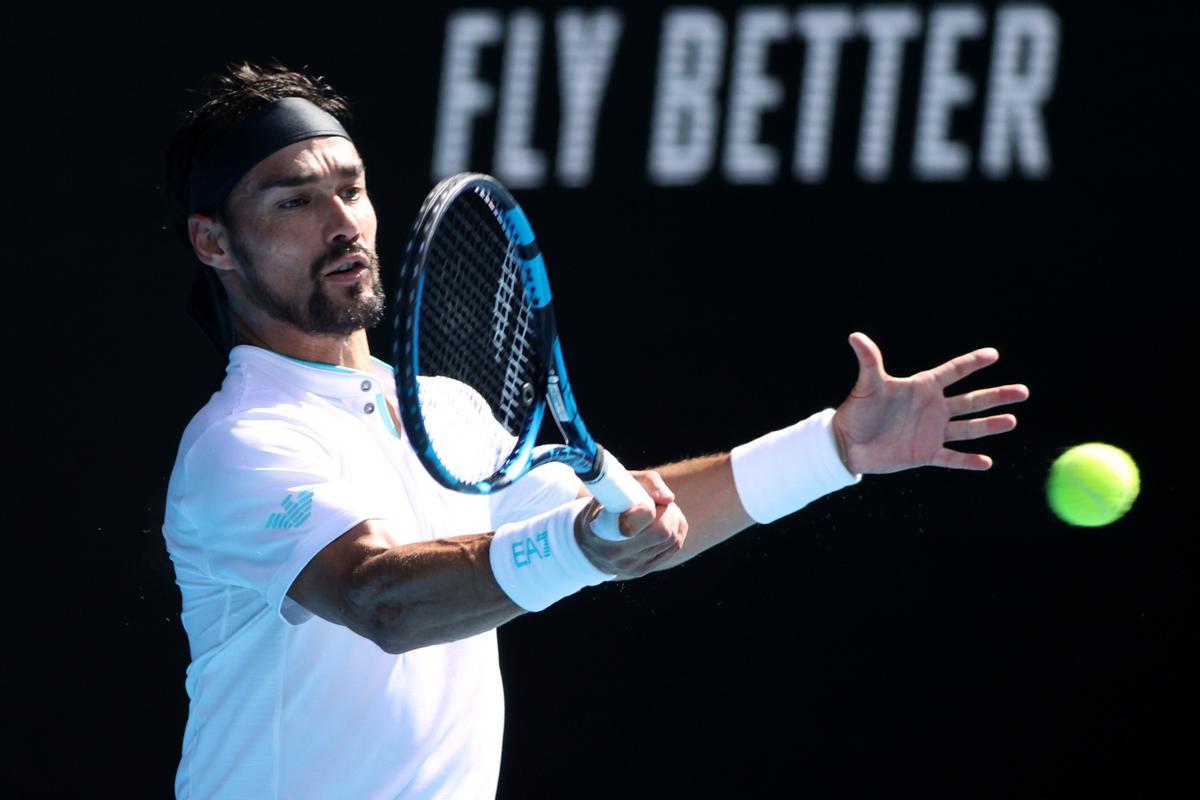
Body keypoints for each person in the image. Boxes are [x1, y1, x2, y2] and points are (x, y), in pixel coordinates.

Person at [161, 62, 1029, 799]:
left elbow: (618, 519)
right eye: (294, 202)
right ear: (214, 243)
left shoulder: (446, 411)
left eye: (351, 189)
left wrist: (831, 450)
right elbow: (380, 598)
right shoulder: (244, 440)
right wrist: (576, 552)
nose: (344, 222)